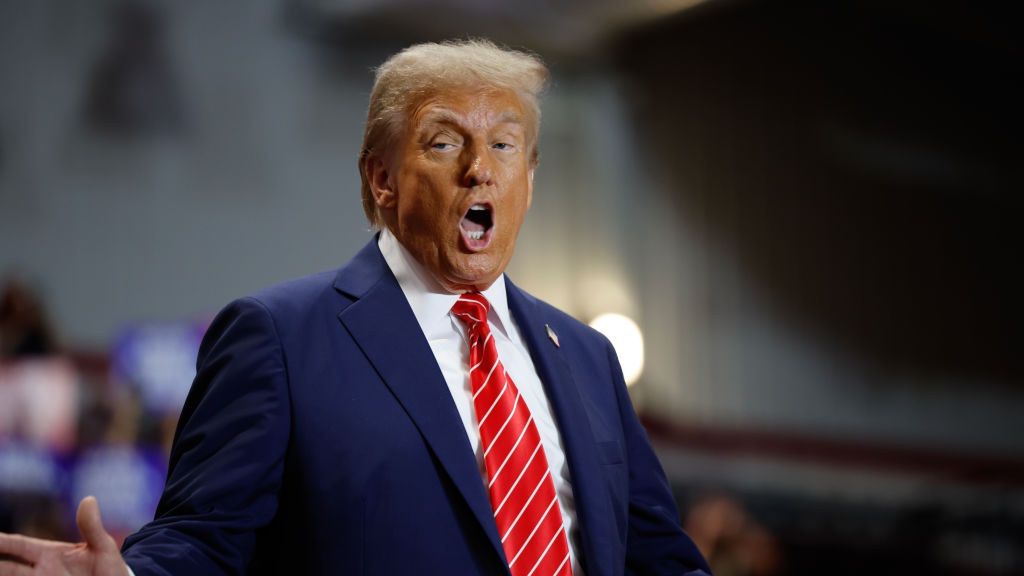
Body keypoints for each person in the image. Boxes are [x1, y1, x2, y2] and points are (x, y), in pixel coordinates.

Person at [0, 39, 710, 576]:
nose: (479, 167)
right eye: (444, 142)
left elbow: (661, 560)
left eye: (503, 145)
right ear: (382, 177)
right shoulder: (280, 338)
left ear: (528, 179)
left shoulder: (587, 358)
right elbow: (202, 538)